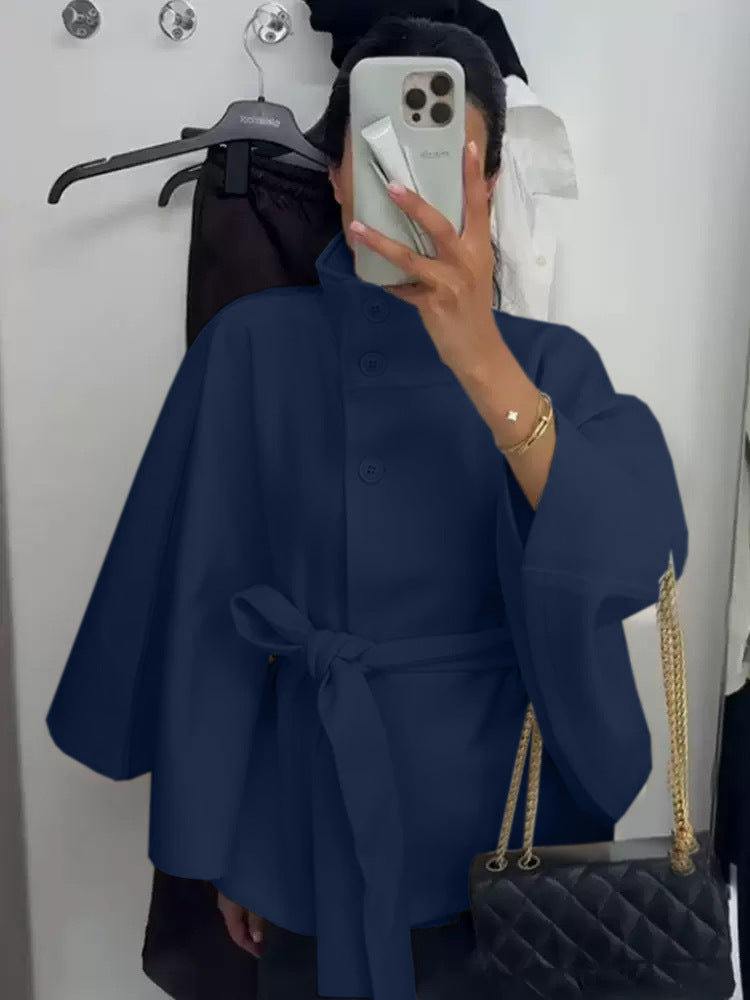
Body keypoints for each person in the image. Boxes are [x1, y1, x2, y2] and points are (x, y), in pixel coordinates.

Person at [46, 13, 688, 1000]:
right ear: (338, 176)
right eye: (376, 157)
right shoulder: (249, 349)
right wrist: (226, 845)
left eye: (443, 162)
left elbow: (638, 557)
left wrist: (483, 361)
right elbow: (202, 607)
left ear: (487, 182)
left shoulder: (551, 366)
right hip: (309, 826)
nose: (405, 185)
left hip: (516, 836)